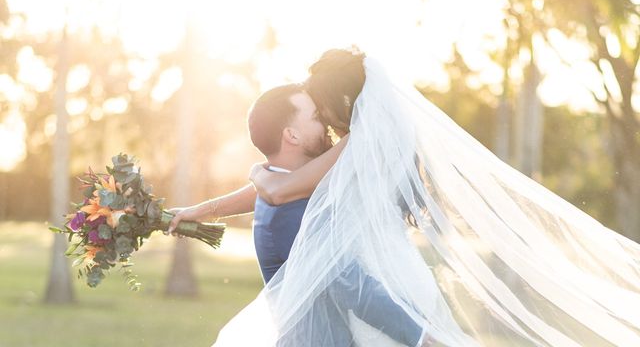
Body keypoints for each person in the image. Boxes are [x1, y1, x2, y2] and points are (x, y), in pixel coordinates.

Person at [215, 47, 640, 346]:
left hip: (387, 292)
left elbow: (285, 190)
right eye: (314, 115)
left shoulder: (356, 151)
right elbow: (291, 186)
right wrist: (231, 194)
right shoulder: (374, 144)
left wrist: (259, 176)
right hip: (402, 279)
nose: (323, 120)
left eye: (321, 108)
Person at [167, 82, 433, 346]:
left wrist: (205, 209)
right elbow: (351, 286)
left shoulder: (279, 188)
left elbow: (281, 185)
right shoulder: (287, 213)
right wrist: (423, 338)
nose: (326, 124)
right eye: (317, 117)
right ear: (291, 135)